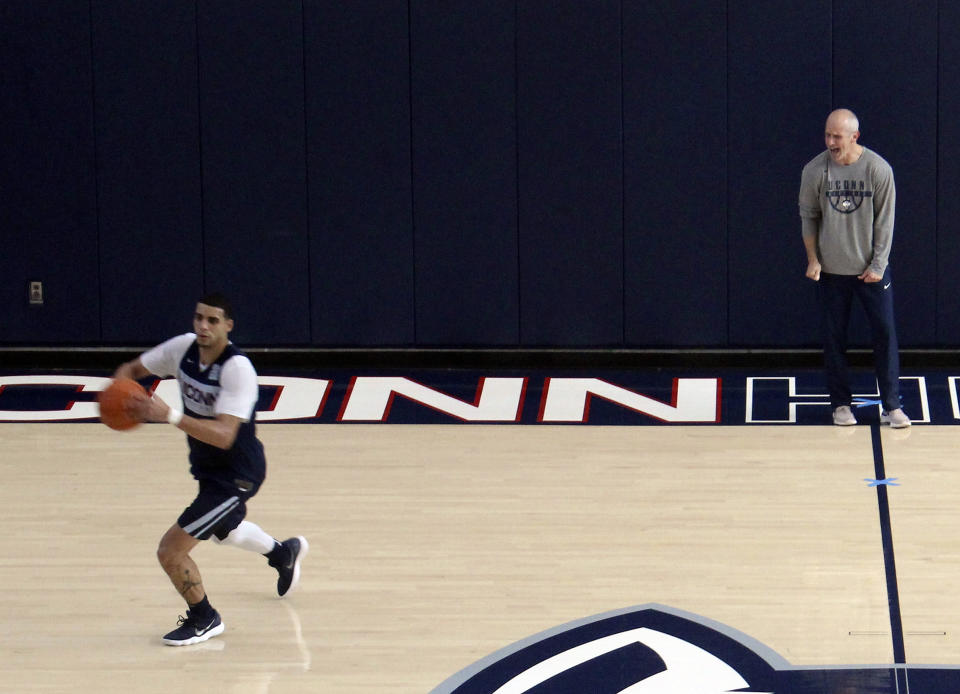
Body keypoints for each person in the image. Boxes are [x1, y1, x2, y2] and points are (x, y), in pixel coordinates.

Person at [113, 293, 308, 646]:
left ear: (228, 326)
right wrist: (120, 398)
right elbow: (132, 370)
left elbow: (224, 435)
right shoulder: (183, 349)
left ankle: (205, 617)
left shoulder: (237, 369)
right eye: (199, 318)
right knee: (224, 531)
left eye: (213, 320)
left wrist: (167, 415)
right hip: (207, 469)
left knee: (171, 550)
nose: (203, 326)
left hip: (238, 473)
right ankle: (283, 553)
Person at [799, 109, 910, 428]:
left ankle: (892, 406)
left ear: (854, 137)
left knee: (885, 335)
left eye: (837, 136)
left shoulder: (878, 169)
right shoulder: (815, 170)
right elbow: (809, 217)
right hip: (832, 273)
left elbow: (885, 222)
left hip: (871, 272)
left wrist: (878, 265)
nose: (830, 141)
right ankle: (841, 405)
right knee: (833, 338)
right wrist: (814, 259)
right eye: (827, 135)